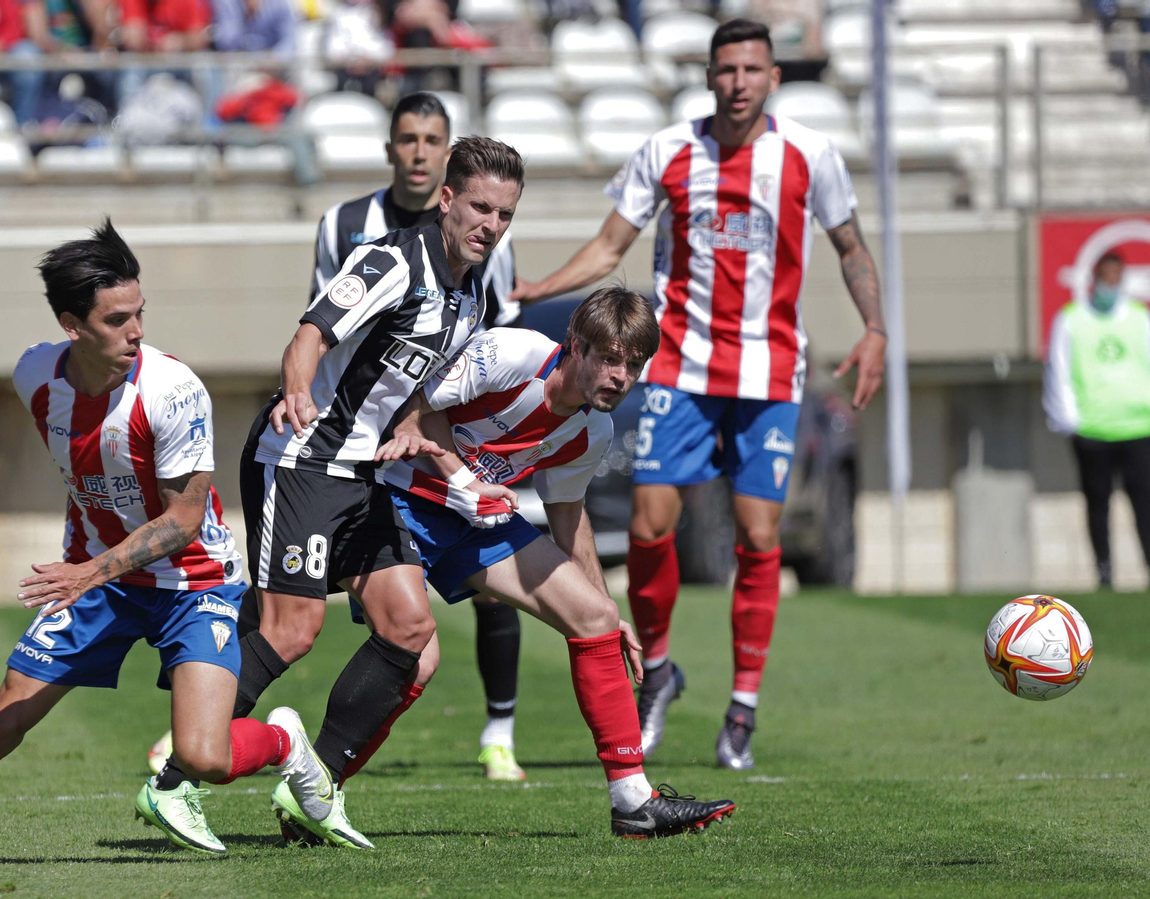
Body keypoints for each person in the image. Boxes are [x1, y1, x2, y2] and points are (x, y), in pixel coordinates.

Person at [0, 221, 335, 872]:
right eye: (117, 320)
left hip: (192, 582)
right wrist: (92, 568)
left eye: (140, 313)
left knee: (203, 756)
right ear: (72, 325)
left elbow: (184, 516)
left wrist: (88, 569)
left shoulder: (173, 391)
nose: (137, 331)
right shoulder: (35, 375)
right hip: (101, 582)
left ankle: (284, 740)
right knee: (2, 719)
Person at [511, 18, 886, 771]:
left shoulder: (810, 155)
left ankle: (742, 705)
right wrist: (541, 288)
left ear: (773, 77)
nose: (738, 81)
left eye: (751, 69)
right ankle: (660, 669)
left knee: (756, 535)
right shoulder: (670, 150)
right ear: (709, 77)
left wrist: (875, 327)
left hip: (771, 370)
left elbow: (850, 247)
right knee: (651, 526)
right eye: (725, 69)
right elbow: (612, 244)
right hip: (680, 365)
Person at [144, 136, 519, 850]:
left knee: (410, 631)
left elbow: (414, 390)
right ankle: (176, 776)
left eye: (504, 214)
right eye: (479, 207)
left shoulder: (471, 289)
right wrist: (294, 387)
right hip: (303, 458)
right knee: (293, 629)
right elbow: (312, 332)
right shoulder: (392, 259)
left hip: (364, 474)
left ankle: (312, 788)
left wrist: (445, 459)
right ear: (446, 198)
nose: (491, 225)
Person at [337, 287, 738, 840]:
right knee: (409, 658)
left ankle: (633, 802)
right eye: (610, 359)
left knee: (593, 620)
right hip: (394, 501)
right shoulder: (512, 354)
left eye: (634, 365)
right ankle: (318, 785)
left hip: (470, 521)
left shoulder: (592, 431)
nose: (621, 377)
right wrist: (463, 481)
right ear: (576, 346)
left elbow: (568, 514)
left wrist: (604, 606)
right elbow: (412, 413)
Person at [314, 90, 528, 782]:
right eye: (407, 138)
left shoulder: (487, 235)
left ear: (446, 154)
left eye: (432, 138)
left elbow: (478, 343)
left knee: (493, 575)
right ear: (394, 151)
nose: (418, 149)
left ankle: (499, 734)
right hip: (350, 447)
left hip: (435, 433)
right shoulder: (348, 225)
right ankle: (211, 729)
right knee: (297, 605)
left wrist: (459, 459)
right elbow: (326, 330)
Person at [1042, 251, 1150, 590]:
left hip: (1138, 428)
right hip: (1093, 430)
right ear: (1094, 279)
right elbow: (1058, 372)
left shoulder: (1138, 317)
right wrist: (1070, 421)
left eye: (1117, 278)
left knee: (1144, 503)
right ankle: (1104, 571)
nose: (1111, 284)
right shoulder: (1072, 319)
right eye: (1106, 277)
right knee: (1097, 503)